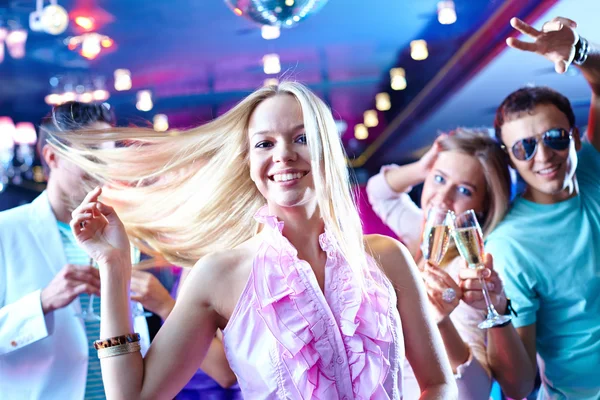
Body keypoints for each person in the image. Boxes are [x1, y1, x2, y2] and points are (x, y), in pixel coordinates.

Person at [52, 82, 457, 399]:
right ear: (249, 163)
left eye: (301, 138)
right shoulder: (219, 274)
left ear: (328, 149)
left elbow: (438, 384)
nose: (284, 155)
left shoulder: (388, 257)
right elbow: (133, 396)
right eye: (265, 143)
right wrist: (114, 269)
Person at [366, 128, 534, 399]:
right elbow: (379, 190)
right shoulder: (419, 232)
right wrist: (423, 167)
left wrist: (442, 321)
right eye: (439, 179)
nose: (443, 198)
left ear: (481, 207)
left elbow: (475, 392)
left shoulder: (464, 274)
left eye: (464, 190)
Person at [0, 102, 151, 399]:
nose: (101, 168)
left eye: (107, 155)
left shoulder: (121, 232)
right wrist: (41, 303)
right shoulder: (7, 230)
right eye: (91, 154)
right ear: (52, 156)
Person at [483, 16, 600, 399]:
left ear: (576, 138)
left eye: (554, 138)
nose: (544, 155)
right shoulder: (509, 243)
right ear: (512, 159)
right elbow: (518, 384)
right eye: (524, 147)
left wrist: (580, 52)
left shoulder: (591, 168)